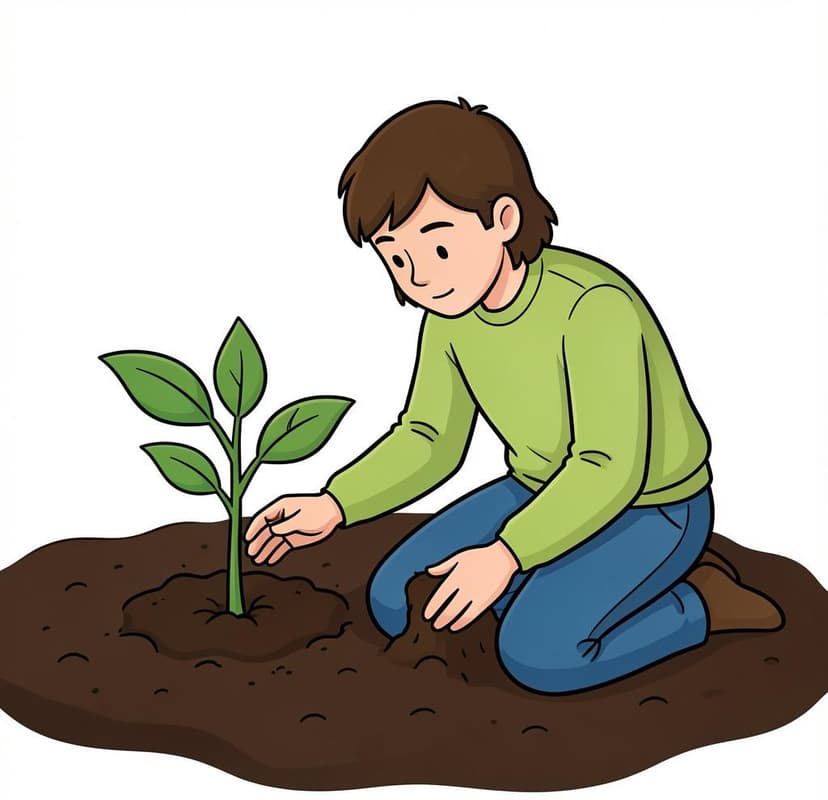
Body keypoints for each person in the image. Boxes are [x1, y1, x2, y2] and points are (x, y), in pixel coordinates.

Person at [244, 97, 783, 694]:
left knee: (539, 656)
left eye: (438, 246)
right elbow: (428, 439)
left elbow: (609, 467)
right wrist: (335, 504)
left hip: (654, 506)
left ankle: (699, 603)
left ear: (502, 219)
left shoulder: (592, 307)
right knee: (397, 599)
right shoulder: (449, 316)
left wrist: (506, 555)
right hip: (536, 486)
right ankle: (552, 585)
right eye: (396, 259)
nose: (419, 276)